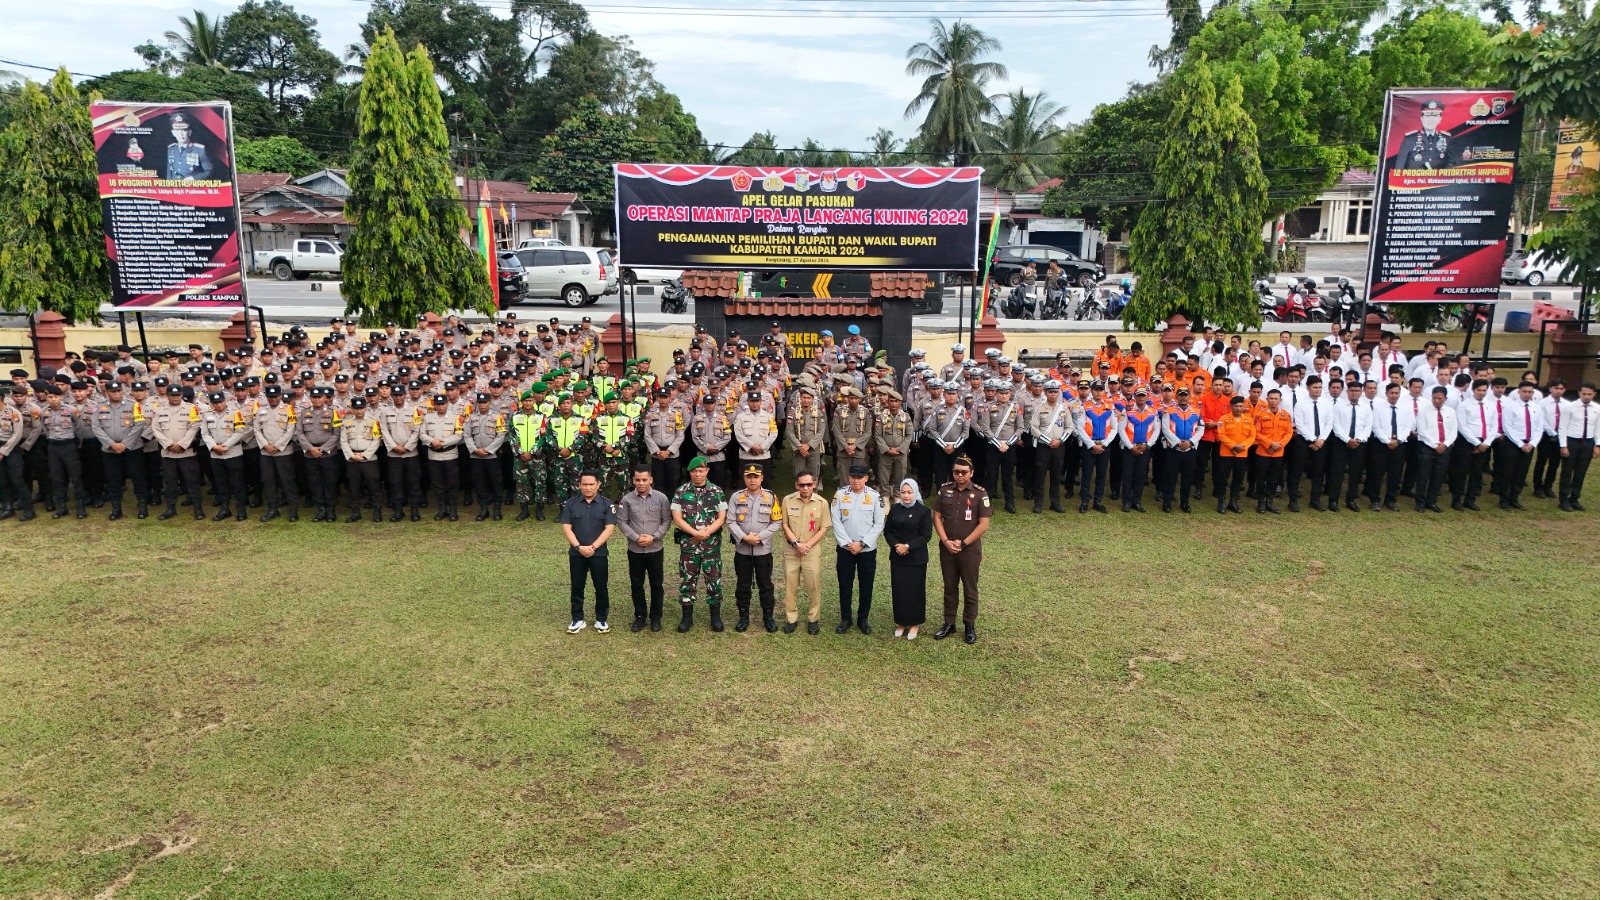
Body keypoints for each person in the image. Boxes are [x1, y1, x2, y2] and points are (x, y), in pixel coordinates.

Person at [932, 455, 991, 644]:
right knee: (949, 586)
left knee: (970, 588)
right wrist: (945, 541)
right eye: (956, 471)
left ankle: (969, 624)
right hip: (947, 548)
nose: (959, 475)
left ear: (971, 473)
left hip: (969, 550)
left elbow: (984, 524)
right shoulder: (944, 490)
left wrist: (963, 543)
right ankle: (949, 623)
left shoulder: (980, 493)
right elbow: (936, 516)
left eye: (964, 472)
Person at [671, 455, 727, 632]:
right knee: (688, 580)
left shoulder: (716, 491)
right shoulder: (681, 491)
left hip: (711, 545)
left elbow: (721, 517)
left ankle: (715, 617)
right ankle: (687, 618)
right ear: (690, 472)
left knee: (714, 580)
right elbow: (677, 518)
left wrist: (705, 534)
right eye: (694, 471)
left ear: (707, 471)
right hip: (689, 545)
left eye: (701, 471)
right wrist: (696, 533)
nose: (697, 474)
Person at [727, 463, 782, 633]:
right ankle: (743, 616)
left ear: (762, 478)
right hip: (742, 550)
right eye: (749, 477)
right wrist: (744, 537)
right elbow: (730, 521)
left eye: (756, 476)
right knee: (743, 585)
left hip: (763, 550)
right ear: (744, 478)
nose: (752, 480)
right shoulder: (736, 497)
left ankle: (768, 617)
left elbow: (777, 521)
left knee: (765, 585)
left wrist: (760, 536)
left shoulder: (771, 497)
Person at [616, 463, 671, 631]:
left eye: (644, 480)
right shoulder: (626, 500)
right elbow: (622, 522)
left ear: (651, 480)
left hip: (655, 549)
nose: (641, 483)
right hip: (635, 550)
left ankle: (656, 617)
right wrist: (636, 537)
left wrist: (654, 537)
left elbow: (666, 521)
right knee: (636, 584)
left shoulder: (661, 498)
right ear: (633, 480)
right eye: (638, 480)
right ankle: (640, 616)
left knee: (656, 584)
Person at [560, 470, 616, 634]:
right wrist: (579, 547)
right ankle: (577, 619)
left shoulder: (607, 504)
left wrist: (593, 547)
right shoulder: (570, 504)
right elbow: (566, 529)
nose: (588, 487)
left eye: (591, 484)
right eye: (584, 484)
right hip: (577, 554)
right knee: (577, 587)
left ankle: (601, 619)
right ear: (579, 485)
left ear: (598, 485)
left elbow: (609, 529)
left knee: (601, 587)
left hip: (599, 554)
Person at [831, 463, 884, 634]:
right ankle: (846, 619)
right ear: (848, 477)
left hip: (867, 550)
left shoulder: (874, 496)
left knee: (866, 585)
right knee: (845, 585)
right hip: (845, 549)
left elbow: (879, 523)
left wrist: (862, 544)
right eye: (853, 477)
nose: (856, 480)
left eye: (860, 477)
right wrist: (848, 543)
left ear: (866, 478)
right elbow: (836, 521)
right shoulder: (840, 495)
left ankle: (863, 619)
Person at [779, 468, 831, 634]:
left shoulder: (822, 503)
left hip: (812, 550)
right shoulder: (787, 500)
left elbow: (824, 528)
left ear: (814, 484)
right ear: (797, 485)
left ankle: (813, 619)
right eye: (802, 485)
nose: (805, 488)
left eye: (809, 484)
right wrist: (796, 544)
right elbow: (784, 524)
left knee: (813, 586)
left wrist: (807, 545)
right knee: (790, 586)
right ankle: (791, 619)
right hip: (791, 550)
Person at [884, 477, 932, 639]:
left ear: (915, 492)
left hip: (916, 559)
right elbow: (888, 530)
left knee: (915, 591)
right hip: (898, 556)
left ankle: (914, 624)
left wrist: (908, 546)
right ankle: (901, 622)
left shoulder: (924, 511)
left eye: (909, 492)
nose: (906, 495)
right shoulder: (895, 509)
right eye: (903, 492)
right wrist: (896, 545)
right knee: (899, 590)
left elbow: (926, 536)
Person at [150, 384, 206, 520]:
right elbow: (156, 429)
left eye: (178, 395)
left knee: (192, 481)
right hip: (168, 454)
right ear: (167, 395)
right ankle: (170, 508)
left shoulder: (191, 408)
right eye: (172, 395)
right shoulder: (159, 409)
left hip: (187, 453)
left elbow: (194, 427)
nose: (175, 397)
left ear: (182, 395)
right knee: (170, 483)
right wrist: (169, 444)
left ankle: (197, 508)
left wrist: (182, 445)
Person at [1415, 386, 1457, 512]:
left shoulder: (1450, 412)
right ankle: (1420, 502)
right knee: (1423, 476)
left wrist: (1445, 444)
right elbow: (1422, 431)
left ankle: (1431, 501)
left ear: (1445, 398)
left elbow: (1453, 431)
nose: (1437, 401)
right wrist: (1435, 445)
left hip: (1444, 448)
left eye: (1440, 398)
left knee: (1438, 476)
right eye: (1434, 398)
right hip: (1427, 447)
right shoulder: (1424, 411)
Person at [1557, 382, 1597, 511]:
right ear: (1579, 393)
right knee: (1567, 471)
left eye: (1589, 394)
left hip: (1588, 442)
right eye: (1584, 394)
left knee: (1580, 472)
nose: (1586, 396)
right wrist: (1563, 445)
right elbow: (1562, 427)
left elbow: (1598, 428)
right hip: (1572, 441)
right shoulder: (1570, 407)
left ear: (1594, 394)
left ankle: (1574, 498)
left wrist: (1597, 445)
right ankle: (1563, 499)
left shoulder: (1597, 408)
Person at [1216, 395, 1255, 514]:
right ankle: (1221, 502)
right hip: (1226, 454)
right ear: (1231, 407)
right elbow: (1221, 435)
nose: (1238, 408)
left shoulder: (1249, 420)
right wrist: (1233, 446)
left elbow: (1252, 436)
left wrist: (1242, 446)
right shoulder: (1223, 419)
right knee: (1223, 479)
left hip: (1242, 455)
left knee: (1238, 479)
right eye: (1236, 406)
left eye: (1241, 406)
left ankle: (1233, 502)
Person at [164, 113, 214, 181]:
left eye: (184, 130)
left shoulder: (199, 150)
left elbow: (209, 170)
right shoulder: (171, 149)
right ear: (173, 133)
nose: (180, 134)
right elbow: (169, 173)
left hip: (191, 186)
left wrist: (194, 178)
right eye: (177, 130)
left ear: (189, 132)